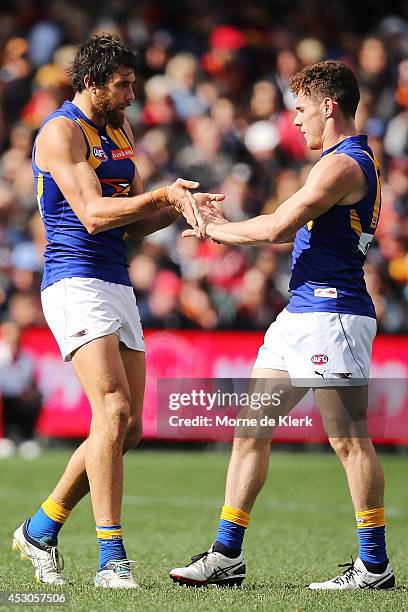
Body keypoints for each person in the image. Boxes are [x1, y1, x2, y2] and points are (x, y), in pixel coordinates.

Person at [170, 60, 395, 590]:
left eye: (299, 110)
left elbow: (276, 226)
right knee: (251, 429)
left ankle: (375, 565)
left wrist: (212, 230)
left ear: (328, 106)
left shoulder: (345, 164)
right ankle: (227, 555)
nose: (294, 121)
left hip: (333, 314)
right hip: (301, 314)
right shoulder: (338, 161)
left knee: (349, 441)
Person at [11, 33, 222, 589]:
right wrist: (159, 195)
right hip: (73, 280)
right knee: (109, 411)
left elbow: (130, 224)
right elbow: (94, 215)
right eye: (123, 84)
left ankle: (40, 526)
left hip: (115, 281)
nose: (133, 94)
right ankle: (112, 558)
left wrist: (179, 209)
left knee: (125, 428)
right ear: (91, 83)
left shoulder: (118, 131)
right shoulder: (60, 131)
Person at [0, 319, 42, 459]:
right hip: (3, 398)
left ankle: (26, 439)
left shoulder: (27, 358)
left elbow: (30, 383)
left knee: (37, 399)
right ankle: (4, 438)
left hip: (18, 399)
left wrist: (27, 392)